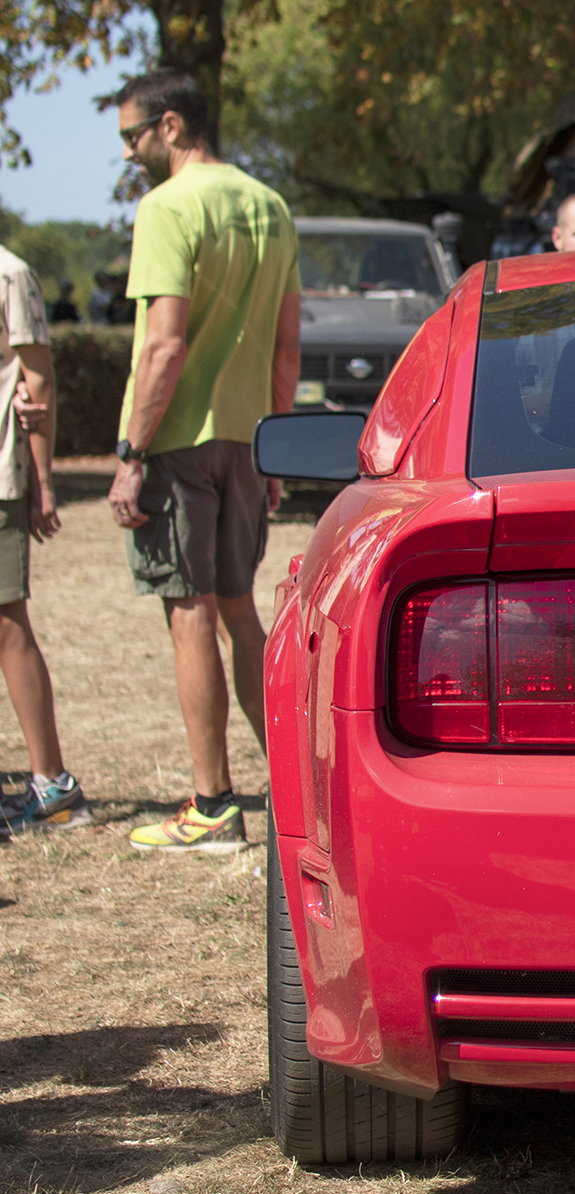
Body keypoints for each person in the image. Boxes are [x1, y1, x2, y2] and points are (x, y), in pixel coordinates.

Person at [106, 68, 300, 853]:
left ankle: (213, 804)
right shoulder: (271, 205)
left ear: (173, 126)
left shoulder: (167, 207)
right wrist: (278, 440)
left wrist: (130, 452)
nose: (128, 153)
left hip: (179, 437)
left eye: (133, 136)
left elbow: (164, 344)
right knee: (237, 610)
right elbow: (289, 346)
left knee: (188, 612)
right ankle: (292, 788)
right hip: (250, 435)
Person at [0, 249, 89, 835]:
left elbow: (38, 380)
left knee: (7, 623)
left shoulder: (10, 273)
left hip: (1, 476)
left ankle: (53, 785)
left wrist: (43, 481)